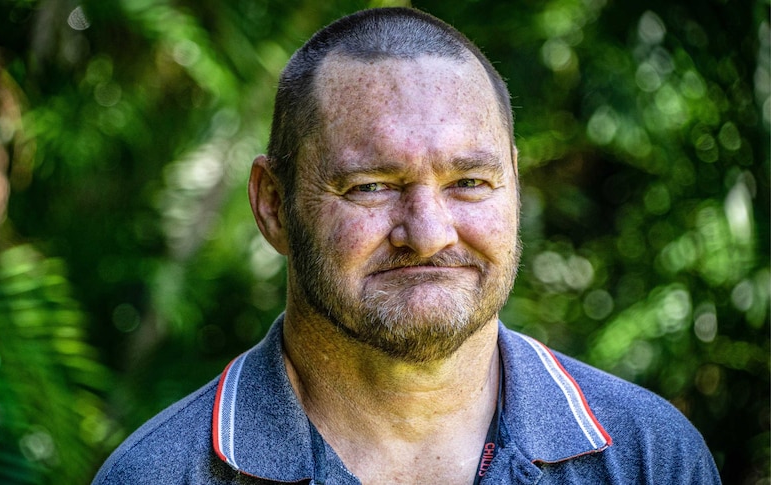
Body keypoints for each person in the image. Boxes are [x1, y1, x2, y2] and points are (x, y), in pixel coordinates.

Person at [92, 7, 720, 484]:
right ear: (273, 206)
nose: (429, 233)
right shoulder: (160, 472)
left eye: (470, 183)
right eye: (371, 187)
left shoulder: (650, 456)